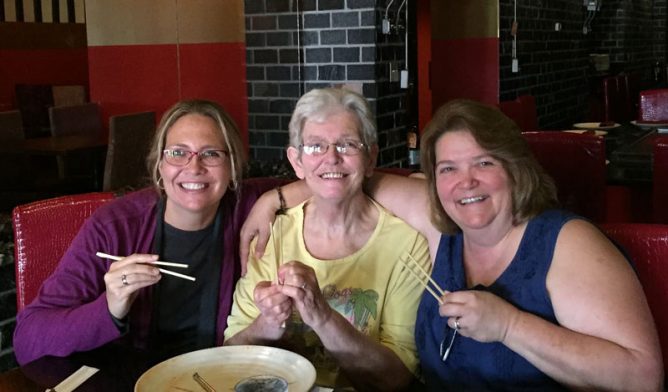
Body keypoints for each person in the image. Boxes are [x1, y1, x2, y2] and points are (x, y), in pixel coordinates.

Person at [240, 99, 664, 391]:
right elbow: (347, 177)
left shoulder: (565, 242)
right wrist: (275, 198)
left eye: (484, 162)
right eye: (448, 168)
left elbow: (644, 378)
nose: (466, 182)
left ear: (515, 168)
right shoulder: (443, 229)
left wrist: (510, 326)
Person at [13, 99, 283, 365]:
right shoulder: (116, 227)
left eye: (211, 153)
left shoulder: (245, 205)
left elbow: (320, 182)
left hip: (218, 377)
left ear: (232, 167)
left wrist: (274, 199)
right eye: (178, 153)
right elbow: (27, 339)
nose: (194, 167)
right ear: (159, 166)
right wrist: (109, 307)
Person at [224, 88, 431, 391]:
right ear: (296, 162)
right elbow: (229, 353)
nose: (331, 158)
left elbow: (396, 379)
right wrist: (266, 325)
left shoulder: (406, 244)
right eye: (315, 147)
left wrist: (322, 316)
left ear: (370, 157)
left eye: (347, 145)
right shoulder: (273, 234)